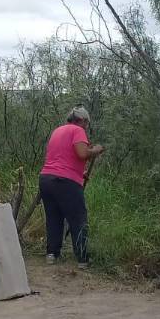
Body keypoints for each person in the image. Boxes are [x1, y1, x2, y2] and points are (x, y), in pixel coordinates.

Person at [39, 106, 104, 268]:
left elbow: (61, 158)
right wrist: (95, 150)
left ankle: (52, 254)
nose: (87, 127)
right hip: (65, 182)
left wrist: (78, 173)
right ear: (82, 120)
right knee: (78, 218)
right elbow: (82, 154)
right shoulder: (77, 130)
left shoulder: (58, 131)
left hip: (47, 179)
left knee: (54, 218)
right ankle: (83, 259)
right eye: (87, 123)